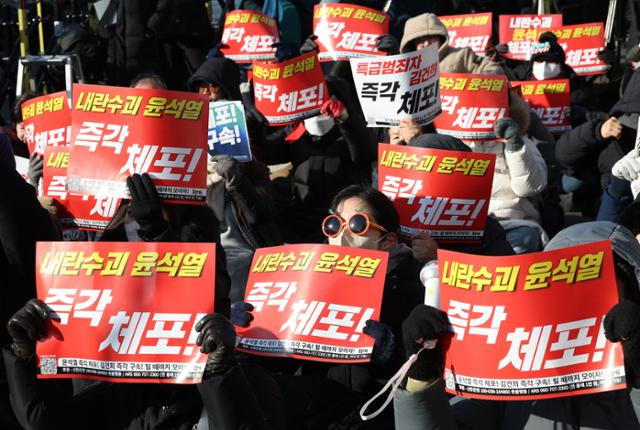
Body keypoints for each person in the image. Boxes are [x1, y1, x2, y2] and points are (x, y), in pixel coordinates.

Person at [393, 221, 640, 429]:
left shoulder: (633, 365)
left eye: (597, 285)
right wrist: (421, 379)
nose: (580, 302)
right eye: (565, 286)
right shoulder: (510, 363)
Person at [3, 300, 285, 429]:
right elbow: (45, 423)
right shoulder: (122, 389)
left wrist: (219, 374)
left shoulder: (244, 379)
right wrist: (25, 356)